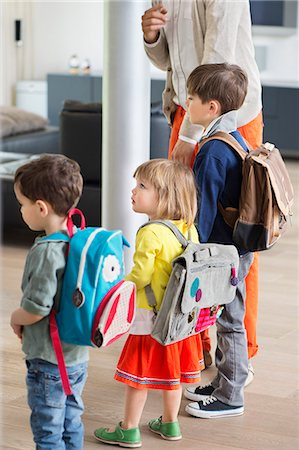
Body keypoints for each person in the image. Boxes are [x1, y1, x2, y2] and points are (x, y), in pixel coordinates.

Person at [141, 0, 262, 379]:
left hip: (224, 115)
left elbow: (219, 58)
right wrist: (152, 35)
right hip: (187, 111)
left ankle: (239, 351)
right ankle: (196, 344)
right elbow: (169, 61)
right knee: (183, 227)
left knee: (234, 236)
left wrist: (193, 136)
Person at [94, 159, 203, 447]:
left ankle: (128, 429)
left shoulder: (150, 232)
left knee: (138, 376)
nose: (133, 191)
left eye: (142, 186)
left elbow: (140, 275)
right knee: (173, 373)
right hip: (179, 318)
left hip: (149, 317)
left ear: (165, 196)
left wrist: (116, 287)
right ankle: (170, 424)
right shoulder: (188, 229)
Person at [182, 62, 253, 418]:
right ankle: (226, 381)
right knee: (227, 317)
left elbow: (203, 210)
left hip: (224, 253)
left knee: (229, 322)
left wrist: (190, 250)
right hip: (237, 247)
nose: (186, 102)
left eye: (191, 97)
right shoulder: (234, 137)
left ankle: (231, 396)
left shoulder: (212, 150)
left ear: (212, 107)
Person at [10, 154, 89, 449]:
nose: (21, 210)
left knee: (47, 430)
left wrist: (16, 318)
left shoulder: (47, 251)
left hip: (48, 361)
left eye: (22, 204)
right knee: (71, 421)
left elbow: (36, 308)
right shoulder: (78, 237)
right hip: (77, 357)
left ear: (41, 208)